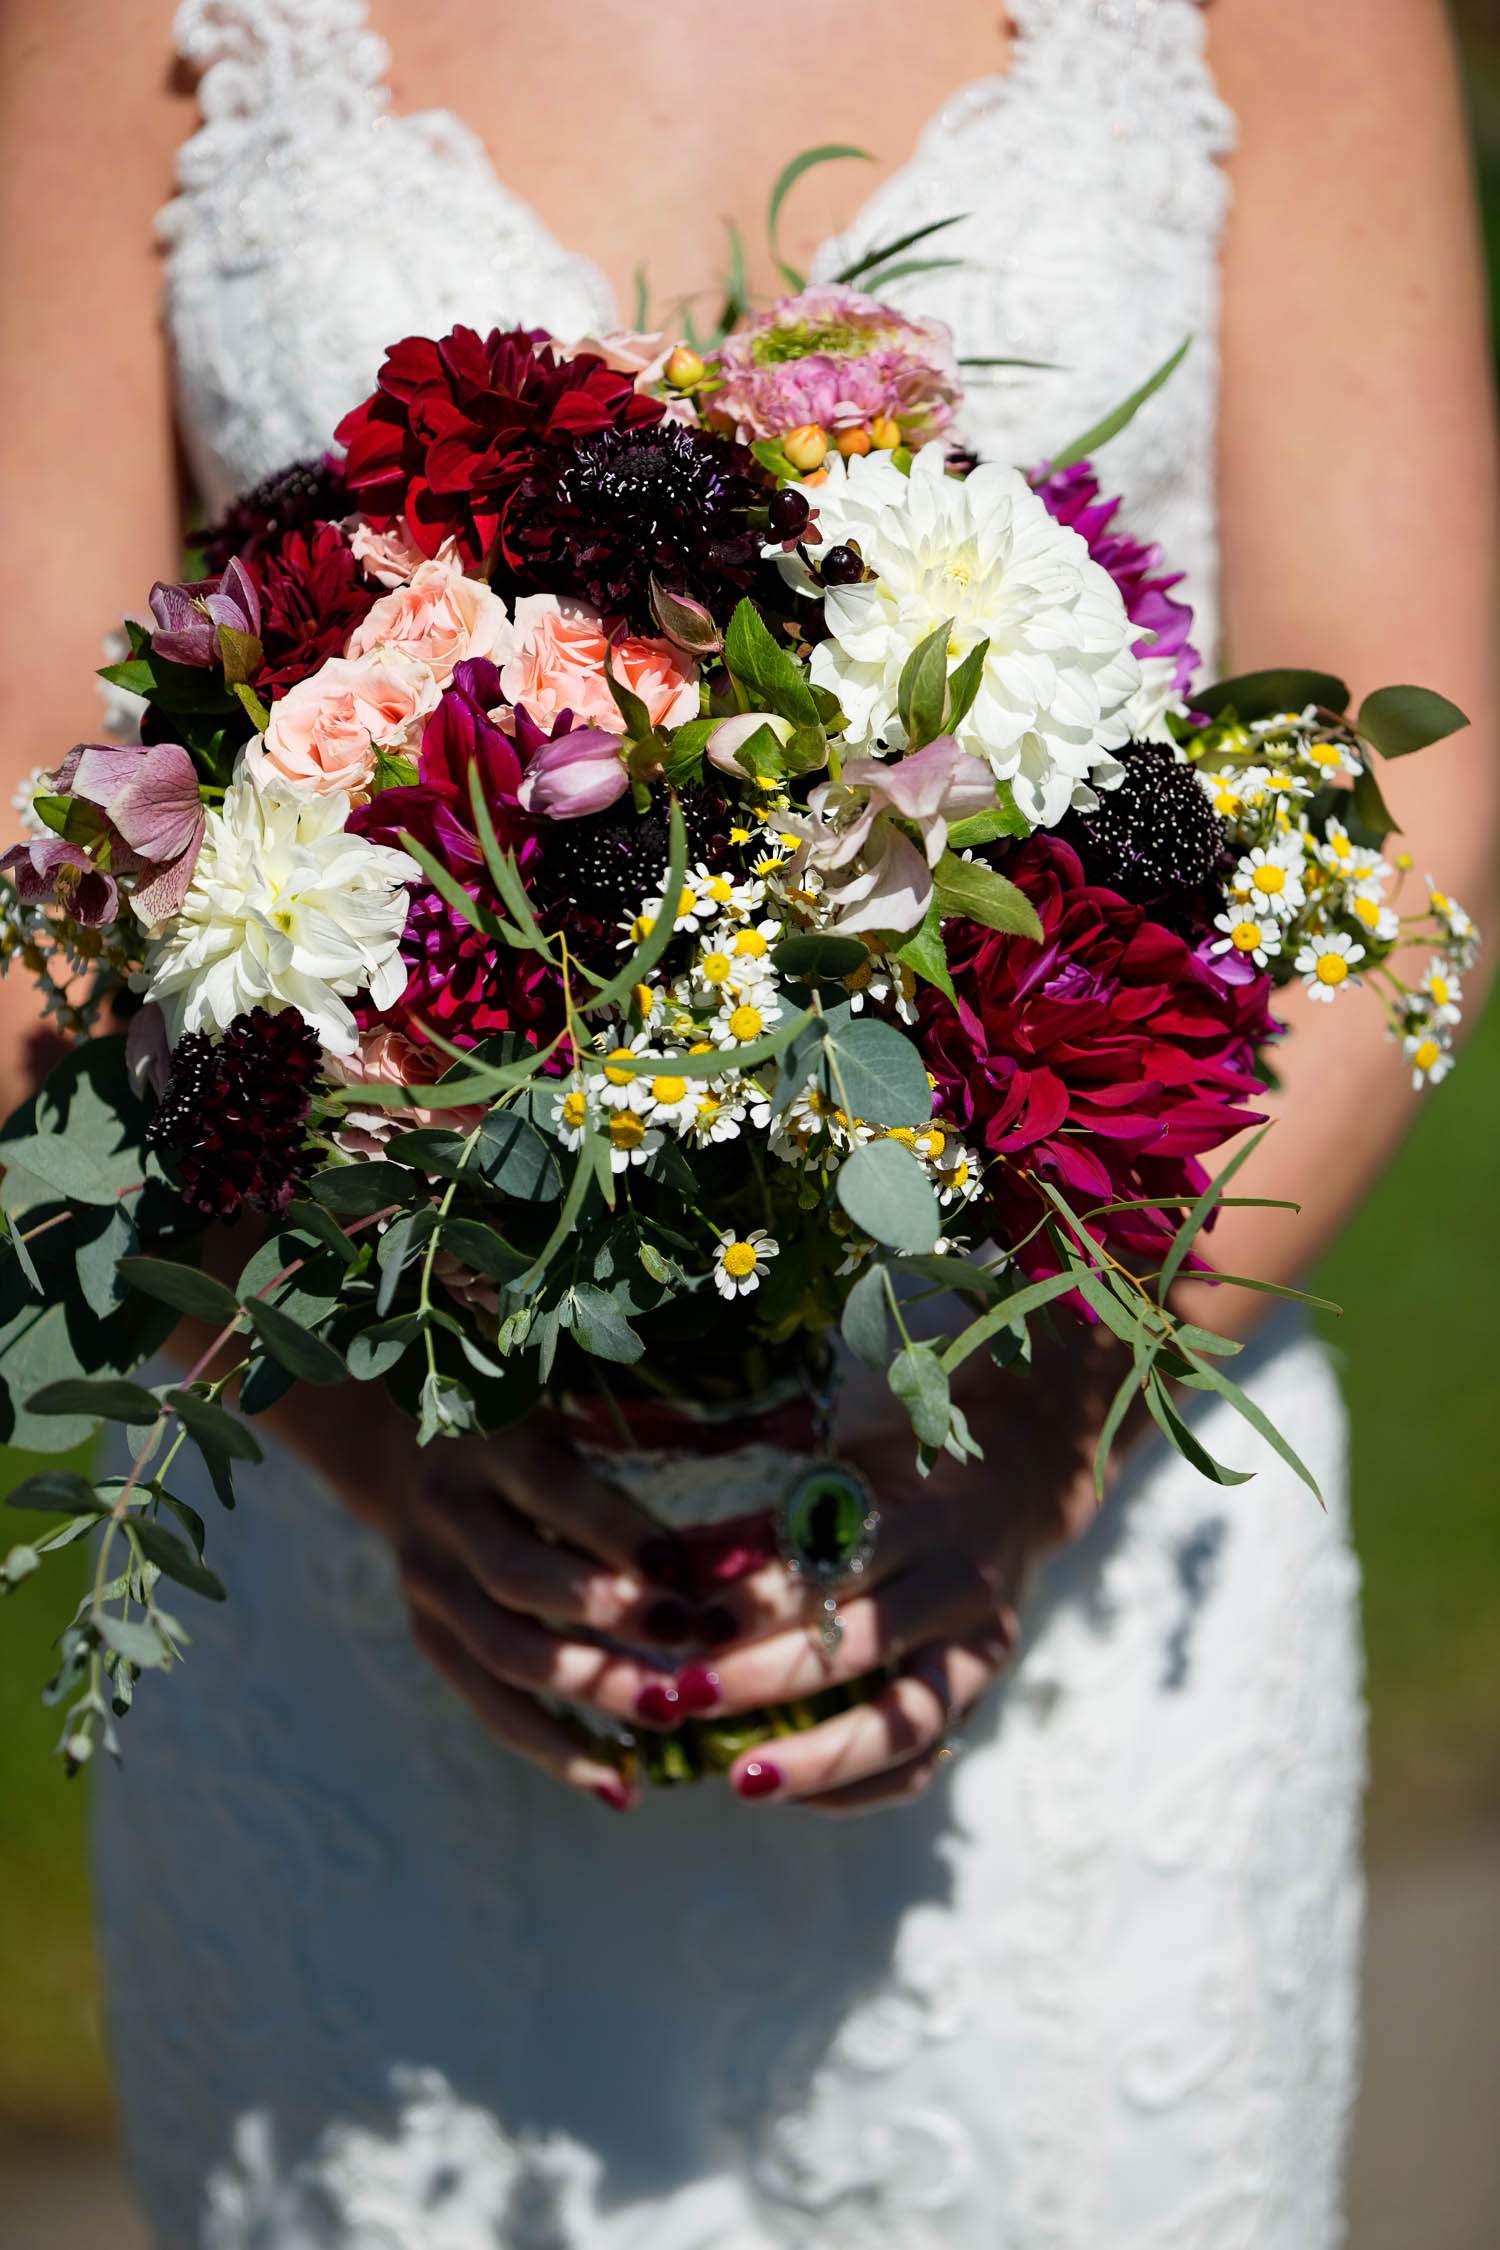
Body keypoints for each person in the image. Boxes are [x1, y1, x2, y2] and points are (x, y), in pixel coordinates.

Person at [1, 0, 1495, 2242]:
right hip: (374, 1611)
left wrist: (1056, 1407)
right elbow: (33, 872)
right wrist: (374, 1447)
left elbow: (1418, 794)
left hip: (1078, 1571)